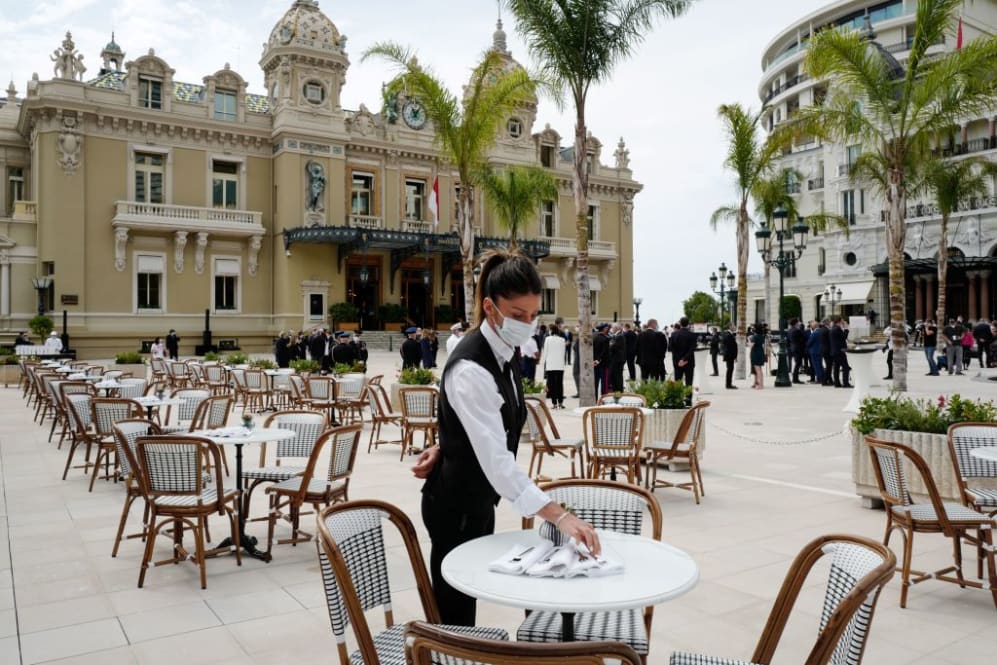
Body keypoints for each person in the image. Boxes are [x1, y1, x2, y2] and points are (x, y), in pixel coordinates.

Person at [412, 249, 600, 627]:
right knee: (455, 614)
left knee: (472, 596)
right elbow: (497, 459)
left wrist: (443, 446)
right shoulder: (470, 368)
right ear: (490, 307)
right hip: (453, 506)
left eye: (533, 315)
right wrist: (558, 515)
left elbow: (481, 426)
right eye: (517, 315)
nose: (527, 324)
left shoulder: (506, 351)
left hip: (479, 500)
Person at [541, 324, 566, 408]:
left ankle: (554, 403)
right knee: (559, 384)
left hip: (550, 365)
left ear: (551, 330)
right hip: (560, 365)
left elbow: (545, 352)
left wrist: (543, 363)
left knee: (552, 384)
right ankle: (561, 402)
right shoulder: (562, 340)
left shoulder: (547, 339)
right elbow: (563, 353)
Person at [669, 316, 697, 388]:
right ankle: (688, 399)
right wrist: (684, 359)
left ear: (680, 324)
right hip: (689, 362)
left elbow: (672, 348)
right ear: (688, 324)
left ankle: (678, 398)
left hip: (677, 362)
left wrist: (680, 360)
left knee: (678, 382)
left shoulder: (674, 334)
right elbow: (692, 349)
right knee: (689, 383)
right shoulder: (692, 335)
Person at [607, 323, 626, 392]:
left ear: (616, 328)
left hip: (617, 360)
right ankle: (616, 389)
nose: (611, 329)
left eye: (613, 328)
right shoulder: (617, 335)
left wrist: (610, 345)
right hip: (616, 359)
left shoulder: (619, 336)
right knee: (615, 375)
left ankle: (618, 390)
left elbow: (613, 346)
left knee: (617, 376)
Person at [592, 323, 610, 396]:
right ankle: (603, 400)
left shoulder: (593, 336)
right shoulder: (605, 339)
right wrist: (598, 360)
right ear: (604, 329)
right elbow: (605, 352)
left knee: (595, 383)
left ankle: (595, 399)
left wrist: (595, 360)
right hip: (603, 364)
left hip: (594, 364)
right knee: (604, 384)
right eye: (607, 328)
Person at [806, 320, 825, 385]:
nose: (810, 327)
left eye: (811, 326)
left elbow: (809, 342)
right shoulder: (821, 331)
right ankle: (822, 377)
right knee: (820, 365)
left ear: (813, 326)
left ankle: (819, 379)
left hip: (814, 351)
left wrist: (807, 345)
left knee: (816, 366)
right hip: (820, 351)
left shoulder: (815, 333)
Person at [721, 321, 738, 389]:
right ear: (730, 326)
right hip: (729, 355)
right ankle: (728, 384)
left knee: (730, 369)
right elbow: (730, 347)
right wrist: (734, 356)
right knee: (730, 369)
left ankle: (729, 383)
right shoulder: (727, 335)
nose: (735, 327)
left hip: (731, 355)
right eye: (734, 325)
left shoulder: (731, 334)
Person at [789, 318, 806, 384]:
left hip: (793, 348)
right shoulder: (797, 330)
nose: (799, 323)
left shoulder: (790, 330)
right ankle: (795, 379)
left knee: (797, 363)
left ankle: (795, 378)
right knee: (798, 364)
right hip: (798, 348)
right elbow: (802, 339)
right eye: (798, 322)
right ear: (796, 323)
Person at [750, 323, 767, 389]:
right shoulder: (761, 336)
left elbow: (751, 345)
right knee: (760, 370)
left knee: (758, 370)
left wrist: (749, 340)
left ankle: (760, 385)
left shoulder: (755, 337)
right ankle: (761, 384)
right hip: (760, 352)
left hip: (755, 353)